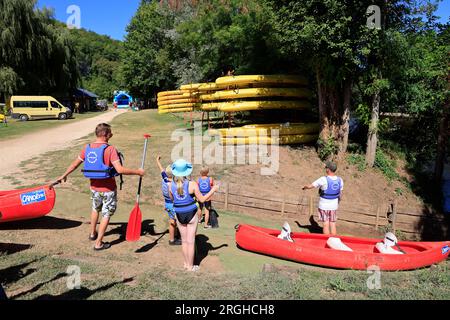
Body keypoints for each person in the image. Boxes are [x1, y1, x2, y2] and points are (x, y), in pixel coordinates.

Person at [55, 123, 145, 251]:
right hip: (108, 190)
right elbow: (119, 169)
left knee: (95, 209)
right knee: (106, 214)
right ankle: (98, 243)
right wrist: (138, 172)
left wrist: (64, 175)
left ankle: (92, 234)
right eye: (110, 133)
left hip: (94, 188)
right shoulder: (110, 149)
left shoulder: (87, 147)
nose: (111, 135)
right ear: (105, 134)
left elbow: (75, 164)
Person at [169, 159, 219, 272]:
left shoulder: (170, 185)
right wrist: (213, 190)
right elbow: (202, 199)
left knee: (184, 241)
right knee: (190, 241)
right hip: (191, 214)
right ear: (187, 171)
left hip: (179, 214)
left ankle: (186, 264)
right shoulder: (192, 184)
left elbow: (173, 200)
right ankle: (191, 267)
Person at [302, 161, 344, 236]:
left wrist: (305, 187)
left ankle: (325, 241)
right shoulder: (340, 180)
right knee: (333, 224)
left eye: (326, 168)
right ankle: (334, 240)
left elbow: (311, 186)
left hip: (324, 206)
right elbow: (340, 194)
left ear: (328, 169)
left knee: (325, 224)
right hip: (334, 206)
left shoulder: (323, 179)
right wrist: (337, 203)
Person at [156, 155, 181, 246]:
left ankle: (174, 236)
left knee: (173, 221)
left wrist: (157, 160)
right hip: (173, 204)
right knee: (174, 221)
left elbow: (161, 169)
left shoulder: (164, 178)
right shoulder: (174, 184)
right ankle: (172, 239)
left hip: (167, 203)